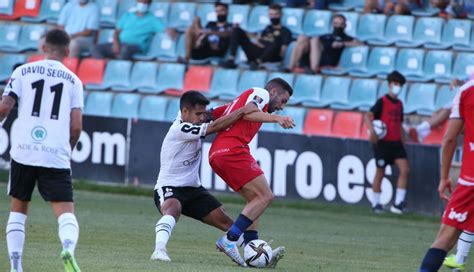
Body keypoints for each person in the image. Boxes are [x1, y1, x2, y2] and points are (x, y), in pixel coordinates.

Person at [1, 29, 83, 272]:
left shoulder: (22, 71)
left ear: (43, 47)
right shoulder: (73, 80)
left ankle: (16, 267)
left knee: (18, 209)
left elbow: (4, 108)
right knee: (65, 212)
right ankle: (68, 246)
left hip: (24, 150)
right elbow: (76, 125)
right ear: (67, 52)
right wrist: (68, 149)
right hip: (54, 153)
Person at [151, 91, 257, 262]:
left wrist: (238, 106)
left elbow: (221, 112)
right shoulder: (179, 128)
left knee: (227, 223)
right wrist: (243, 110)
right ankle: (159, 250)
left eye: (203, 113)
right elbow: (214, 127)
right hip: (169, 187)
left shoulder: (194, 119)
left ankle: (257, 254)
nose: (202, 117)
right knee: (173, 209)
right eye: (198, 114)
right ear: (185, 112)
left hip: (193, 190)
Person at [209, 78, 295, 267]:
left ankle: (253, 249)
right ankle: (230, 239)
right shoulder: (261, 93)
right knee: (266, 196)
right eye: (283, 101)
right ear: (273, 91)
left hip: (218, 154)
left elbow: (213, 113)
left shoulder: (238, 101)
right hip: (232, 150)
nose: (282, 107)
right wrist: (278, 119)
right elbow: (248, 113)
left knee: (255, 201)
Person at [419, 80, 474, 272]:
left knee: (446, 236)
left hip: (471, 181)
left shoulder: (467, 91)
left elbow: (450, 138)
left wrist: (444, 178)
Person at [365, 71, 410, 214]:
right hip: (383, 144)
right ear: (390, 85)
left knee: (405, 170)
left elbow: (399, 123)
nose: (397, 87)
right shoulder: (382, 101)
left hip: (396, 144)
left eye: (400, 85)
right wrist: (372, 132)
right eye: (395, 84)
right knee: (380, 173)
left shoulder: (400, 104)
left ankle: (398, 204)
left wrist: (404, 139)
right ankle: (376, 203)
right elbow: (367, 116)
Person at [219, 4, 292, 70]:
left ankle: (258, 62)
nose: (273, 17)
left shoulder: (285, 31)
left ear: (281, 15)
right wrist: (254, 40)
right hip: (258, 52)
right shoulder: (267, 28)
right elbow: (260, 41)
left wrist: (274, 52)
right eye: (271, 14)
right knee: (237, 30)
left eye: (276, 14)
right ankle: (231, 60)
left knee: (276, 41)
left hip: (272, 57)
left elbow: (282, 50)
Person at [91, 0, 164, 60]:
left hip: (137, 46)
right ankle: (107, 66)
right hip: (121, 43)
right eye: (140, 2)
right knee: (95, 48)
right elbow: (117, 31)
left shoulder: (153, 19)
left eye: (145, 3)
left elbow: (165, 30)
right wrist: (116, 43)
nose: (142, 4)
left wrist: (173, 30)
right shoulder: (127, 15)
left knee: (125, 49)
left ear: (149, 4)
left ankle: (117, 68)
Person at [287, 14, 361, 74]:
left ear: (345, 25)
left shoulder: (347, 38)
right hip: (313, 57)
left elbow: (360, 44)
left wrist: (342, 43)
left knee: (314, 41)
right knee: (302, 38)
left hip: (328, 60)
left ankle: (313, 69)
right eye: (336, 23)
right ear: (332, 24)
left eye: (341, 24)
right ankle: (290, 67)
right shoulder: (326, 36)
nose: (338, 26)